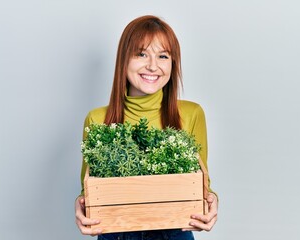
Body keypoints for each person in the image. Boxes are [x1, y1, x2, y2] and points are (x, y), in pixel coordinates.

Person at [75, 15, 218, 240]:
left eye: (162, 56)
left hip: (174, 233)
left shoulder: (191, 114)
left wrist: (210, 201)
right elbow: (90, 189)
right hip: (116, 233)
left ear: (173, 63)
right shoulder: (97, 119)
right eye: (141, 54)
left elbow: (201, 183)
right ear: (124, 60)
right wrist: (81, 206)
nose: (152, 66)